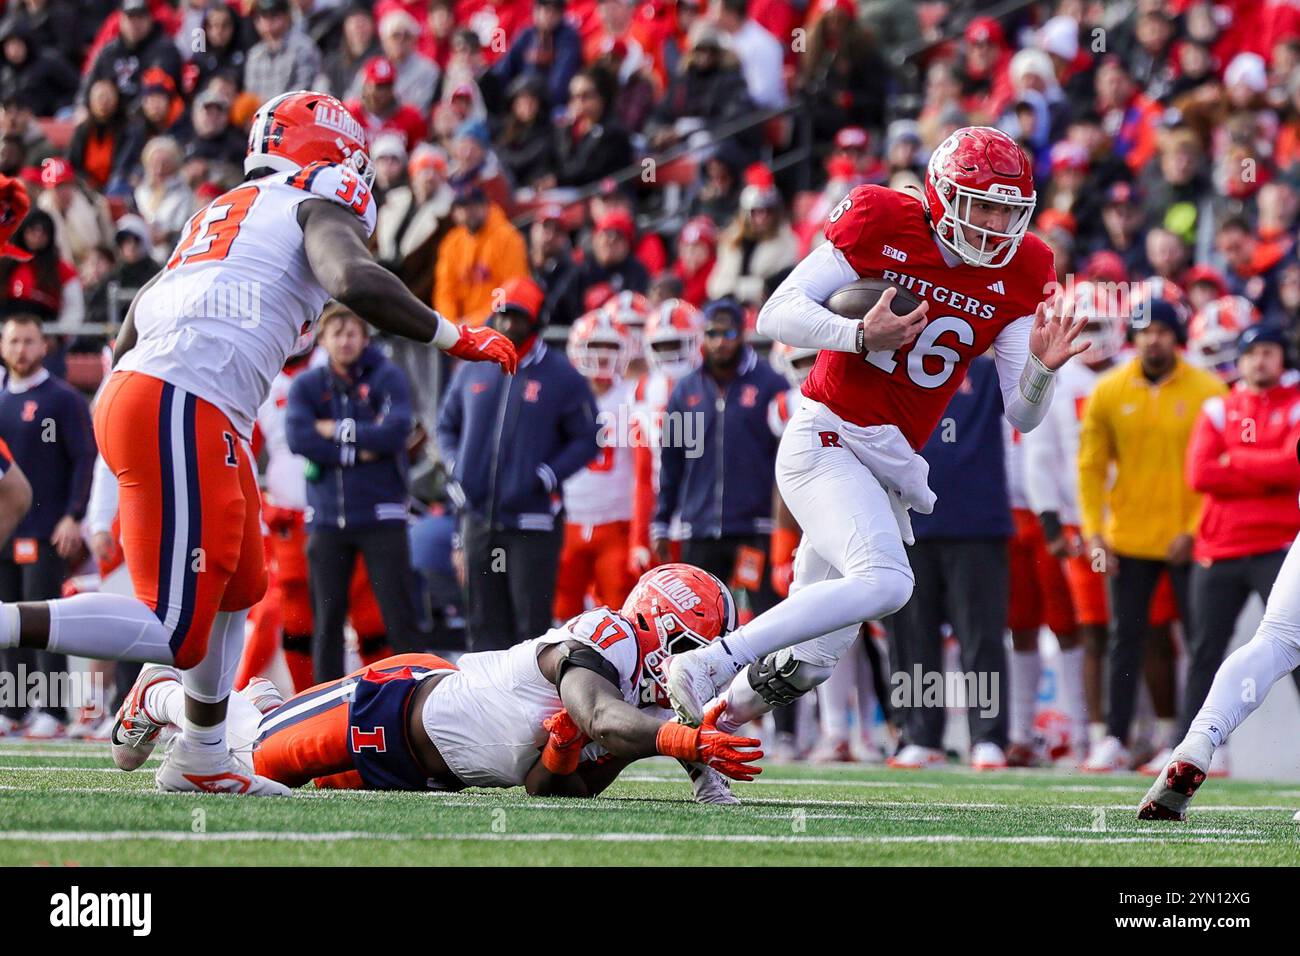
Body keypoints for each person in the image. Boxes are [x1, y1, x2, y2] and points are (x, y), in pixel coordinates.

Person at [0, 90, 516, 795]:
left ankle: (204, 755)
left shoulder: (224, 211)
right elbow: (352, 278)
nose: (360, 177)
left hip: (169, 395)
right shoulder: (308, 200)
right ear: (326, 153)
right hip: (183, 399)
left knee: (241, 586)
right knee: (177, 626)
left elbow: (134, 322)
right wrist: (454, 334)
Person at [661, 126, 1088, 733]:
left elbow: (1020, 412)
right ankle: (710, 661)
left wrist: (1042, 370)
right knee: (887, 582)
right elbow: (777, 311)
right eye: (982, 204)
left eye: (1007, 209)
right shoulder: (882, 217)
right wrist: (860, 336)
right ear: (942, 195)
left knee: (809, 663)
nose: (995, 224)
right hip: (827, 437)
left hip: (888, 466)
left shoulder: (1024, 266)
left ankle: (705, 731)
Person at [111, 565, 759, 801]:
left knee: (274, 784)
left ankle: (261, 704)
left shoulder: (628, 707)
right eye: (689, 651)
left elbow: (555, 786)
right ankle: (162, 695)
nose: (690, 668)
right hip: (390, 708)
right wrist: (687, 744)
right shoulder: (603, 639)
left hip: (425, 774)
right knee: (252, 765)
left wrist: (559, 757)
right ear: (653, 626)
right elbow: (599, 718)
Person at [1077, 298, 1227, 772]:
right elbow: (1090, 467)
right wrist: (1094, 532)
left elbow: (1220, 469)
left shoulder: (1209, 389)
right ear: (1132, 336)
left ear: (1176, 335)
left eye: (1162, 330)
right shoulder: (1108, 390)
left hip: (1193, 539)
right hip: (1129, 536)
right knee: (1125, 638)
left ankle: (1200, 742)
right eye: (1144, 331)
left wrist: (1194, 528)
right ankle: (1115, 738)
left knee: (1200, 642)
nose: (1152, 339)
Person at [436, 276, 598, 651]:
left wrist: (546, 476)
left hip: (531, 527)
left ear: (536, 319)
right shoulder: (473, 367)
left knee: (530, 627)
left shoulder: (560, 376)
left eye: (518, 315)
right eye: (503, 314)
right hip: (480, 523)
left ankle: (533, 710)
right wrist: (455, 466)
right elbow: (445, 425)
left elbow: (587, 437)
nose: (507, 323)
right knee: (483, 621)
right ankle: (486, 709)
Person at [1173, 324, 1300, 756]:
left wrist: (1237, 459)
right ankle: (1191, 745)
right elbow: (1200, 474)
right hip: (1221, 546)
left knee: (1291, 645)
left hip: (1279, 545)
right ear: (1239, 360)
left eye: (1268, 351)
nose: (1259, 361)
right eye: (1252, 353)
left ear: (1282, 358)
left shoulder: (1295, 403)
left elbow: (1293, 469)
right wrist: (1265, 468)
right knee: (1204, 647)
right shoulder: (1217, 408)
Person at [286, 304, 425, 682]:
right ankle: (322, 702)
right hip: (328, 519)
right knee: (327, 620)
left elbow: (397, 431)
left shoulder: (387, 376)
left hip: (382, 515)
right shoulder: (308, 384)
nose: (345, 341)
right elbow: (299, 437)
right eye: (337, 333)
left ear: (364, 337)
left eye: (352, 333)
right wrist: (359, 446)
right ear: (323, 339)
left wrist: (334, 430)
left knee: (398, 614)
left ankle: (415, 695)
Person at [651, 298, 786, 623]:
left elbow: (786, 460)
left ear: (742, 333)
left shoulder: (769, 384)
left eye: (727, 333)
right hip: (699, 526)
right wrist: (661, 519)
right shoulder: (685, 391)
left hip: (754, 526)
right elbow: (672, 460)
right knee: (699, 621)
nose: (719, 342)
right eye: (712, 333)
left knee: (765, 618)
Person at [554, 310, 637, 621]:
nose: (602, 355)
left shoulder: (633, 398)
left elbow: (646, 472)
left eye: (611, 346)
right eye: (594, 345)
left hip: (617, 521)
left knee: (621, 612)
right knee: (562, 614)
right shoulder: (560, 397)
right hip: (569, 519)